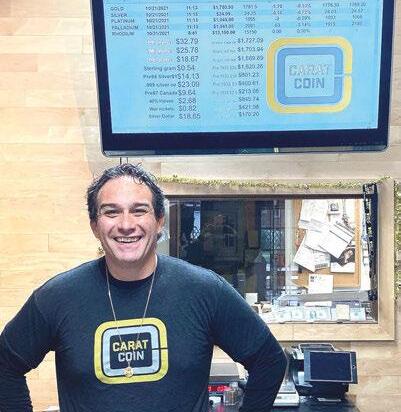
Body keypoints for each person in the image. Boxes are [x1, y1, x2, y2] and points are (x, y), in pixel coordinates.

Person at [0, 163, 286, 411]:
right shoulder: (57, 297)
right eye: (111, 212)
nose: (126, 224)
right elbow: (5, 365)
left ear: (159, 221)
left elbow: (269, 361)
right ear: (95, 226)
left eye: (139, 211)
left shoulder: (205, 290)